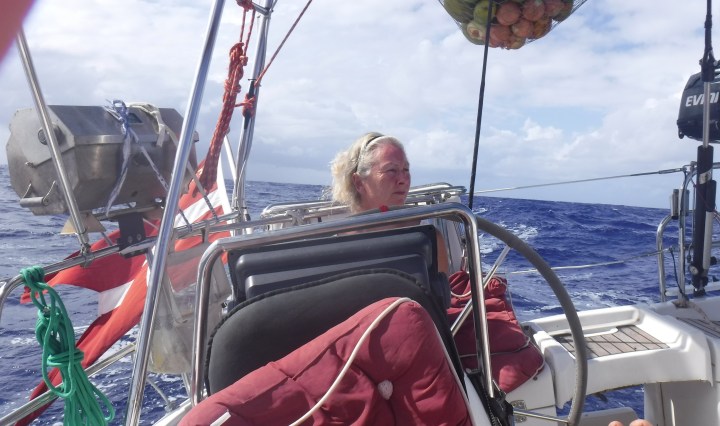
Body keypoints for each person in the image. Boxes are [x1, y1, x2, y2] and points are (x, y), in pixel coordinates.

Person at [330, 132, 410, 213]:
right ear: (359, 183)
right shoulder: (344, 222)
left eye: (406, 169)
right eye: (391, 170)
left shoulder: (417, 218)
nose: (402, 180)